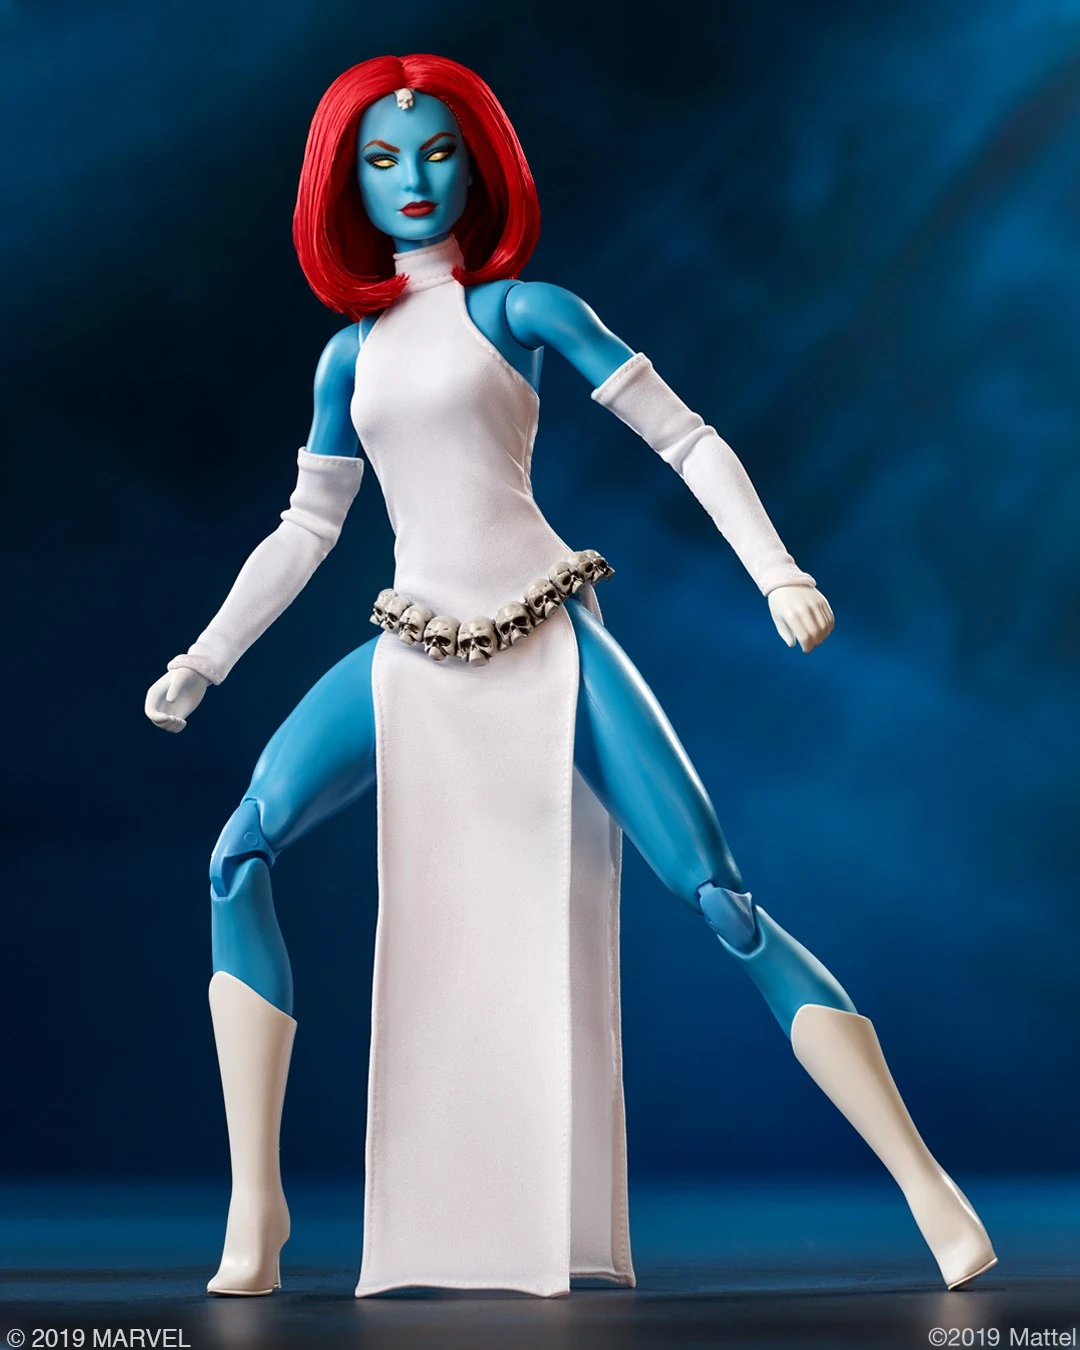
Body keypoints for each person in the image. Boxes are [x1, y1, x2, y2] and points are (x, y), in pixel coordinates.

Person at [144, 53, 996, 1299]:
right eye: (382, 159)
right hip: (414, 646)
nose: (413, 177)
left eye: (438, 151)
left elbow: (685, 438)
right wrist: (205, 658)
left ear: (479, 165)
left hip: (547, 636)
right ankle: (255, 1212)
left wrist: (778, 573)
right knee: (238, 855)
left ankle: (929, 1188)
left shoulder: (525, 312)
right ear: (344, 184)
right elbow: (307, 527)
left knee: (720, 898)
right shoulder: (349, 358)